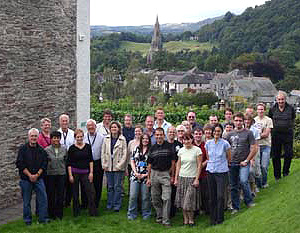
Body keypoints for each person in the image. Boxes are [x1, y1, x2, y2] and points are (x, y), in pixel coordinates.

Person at [226, 112, 258, 214]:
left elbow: (254, 148)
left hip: (244, 162)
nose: (238, 122)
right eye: (236, 120)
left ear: (243, 121)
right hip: (232, 164)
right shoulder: (229, 134)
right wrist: (228, 161)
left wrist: (247, 160)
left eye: (240, 120)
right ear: (233, 121)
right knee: (233, 185)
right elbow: (226, 149)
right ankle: (236, 207)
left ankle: (249, 201)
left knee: (244, 181)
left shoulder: (248, 133)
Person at [16, 128, 49, 225]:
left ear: (38, 137)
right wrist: (30, 175)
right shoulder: (22, 149)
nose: (34, 138)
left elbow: (44, 164)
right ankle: (27, 220)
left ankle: (43, 219)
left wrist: (37, 175)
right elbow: (20, 164)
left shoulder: (42, 150)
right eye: (32, 136)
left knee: (43, 199)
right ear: (28, 137)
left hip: (39, 178)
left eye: (35, 136)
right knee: (26, 201)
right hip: (26, 179)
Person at [147, 128, 176, 227]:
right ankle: (159, 216)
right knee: (155, 198)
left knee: (167, 197)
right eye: (157, 135)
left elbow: (173, 162)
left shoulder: (169, 147)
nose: (159, 136)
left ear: (164, 135)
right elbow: (149, 164)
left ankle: (166, 220)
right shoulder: (152, 148)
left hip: (165, 174)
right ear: (155, 136)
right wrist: (148, 178)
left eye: (161, 135)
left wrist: (172, 176)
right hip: (154, 174)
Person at [67, 129, 97, 217]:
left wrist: (91, 173)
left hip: (86, 173)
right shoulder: (72, 148)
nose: (79, 138)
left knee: (91, 192)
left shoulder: (87, 147)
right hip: (75, 173)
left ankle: (93, 212)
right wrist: (70, 175)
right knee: (75, 193)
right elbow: (69, 163)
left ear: (83, 137)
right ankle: (76, 213)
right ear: (75, 138)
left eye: (81, 137)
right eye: (78, 137)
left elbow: (90, 160)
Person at [205, 124, 231, 225]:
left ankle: (220, 218)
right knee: (212, 197)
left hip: (221, 172)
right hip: (210, 171)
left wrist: (224, 165)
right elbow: (208, 157)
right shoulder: (208, 143)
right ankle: (213, 218)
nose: (216, 133)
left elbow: (229, 157)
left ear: (221, 132)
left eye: (218, 131)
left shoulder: (225, 143)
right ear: (212, 132)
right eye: (215, 131)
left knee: (220, 196)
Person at [174, 132, 202, 226]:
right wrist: (176, 178)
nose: (186, 141)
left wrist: (197, 179)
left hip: (192, 178)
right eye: (184, 139)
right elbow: (178, 165)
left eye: (188, 139)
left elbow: (199, 166)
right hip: (182, 178)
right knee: (182, 201)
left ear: (192, 139)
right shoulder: (181, 151)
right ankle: (185, 220)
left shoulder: (197, 150)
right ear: (182, 141)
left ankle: (191, 219)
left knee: (188, 201)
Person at [269, 91, 295, 180]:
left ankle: (285, 172)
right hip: (276, 135)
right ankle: (277, 176)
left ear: (285, 99)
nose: (281, 101)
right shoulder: (272, 109)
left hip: (288, 134)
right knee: (276, 155)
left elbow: (293, 118)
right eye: (279, 99)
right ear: (276, 100)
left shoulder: (291, 108)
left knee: (288, 154)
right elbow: (270, 120)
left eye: (282, 99)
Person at [101, 121, 127, 212]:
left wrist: (120, 165)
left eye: (115, 127)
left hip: (118, 167)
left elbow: (125, 154)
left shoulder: (122, 139)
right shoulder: (106, 139)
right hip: (108, 167)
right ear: (110, 129)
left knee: (117, 186)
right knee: (110, 186)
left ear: (118, 129)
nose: (113, 129)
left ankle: (117, 205)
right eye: (112, 127)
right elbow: (103, 152)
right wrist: (104, 164)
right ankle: (109, 204)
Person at [127, 133, 152, 220]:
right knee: (133, 195)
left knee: (145, 196)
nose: (145, 140)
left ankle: (146, 214)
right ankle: (131, 214)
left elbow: (152, 165)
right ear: (141, 140)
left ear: (149, 140)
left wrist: (146, 175)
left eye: (147, 139)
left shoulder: (151, 150)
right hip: (135, 175)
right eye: (143, 139)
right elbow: (132, 161)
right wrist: (135, 172)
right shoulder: (136, 149)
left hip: (146, 176)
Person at [44, 131, 67, 220]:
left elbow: (66, 160)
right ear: (51, 139)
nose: (56, 139)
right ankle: (51, 214)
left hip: (61, 174)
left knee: (60, 194)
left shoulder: (64, 149)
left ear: (60, 139)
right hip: (51, 175)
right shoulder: (47, 150)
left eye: (57, 138)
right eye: (54, 138)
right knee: (51, 194)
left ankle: (59, 214)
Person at [83, 119, 104, 209]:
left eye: (92, 126)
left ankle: (96, 203)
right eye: (89, 126)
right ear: (87, 127)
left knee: (98, 184)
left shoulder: (101, 137)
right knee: (86, 183)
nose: (91, 127)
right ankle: (85, 203)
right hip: (86, 163)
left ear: (95, 127)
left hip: (98, 162)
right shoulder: (83, 137)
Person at [254, 103, 273, 188]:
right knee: (257, 167)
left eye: (262, 109)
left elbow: (266, 134)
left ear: (264, 110)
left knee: (264, 166)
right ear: (256, 110)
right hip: (257, 146)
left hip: (266, 145)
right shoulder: (254, 120)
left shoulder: (268, 120)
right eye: (259, 109)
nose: (260, 111)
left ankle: (264, 183)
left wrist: (257, 135)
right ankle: (258, 184)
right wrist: (260, 133)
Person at [57, 114, 74, 208]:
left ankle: (68, 201)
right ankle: (61, 201)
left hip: (70, 161)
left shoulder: (72, 133)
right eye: (63, 121)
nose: (64, 123)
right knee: (61, 182)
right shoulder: (57, 133)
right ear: (60, 122)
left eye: (66, 121)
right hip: (61, 162)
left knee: (70, 182)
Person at [167, 126, 183, 218]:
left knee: (174, 191)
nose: (172, 133)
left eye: (173, 132)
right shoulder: (164, 144)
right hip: (165, 171)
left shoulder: (179, 145)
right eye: (170, 132)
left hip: (177, 170)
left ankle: (173, 211)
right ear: (167, 133)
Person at [193, 127, 209, 215]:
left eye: (199, 134)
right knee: (194, 193)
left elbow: (208, 158)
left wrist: (202, 165)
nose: (198, 136)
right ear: (193, 135)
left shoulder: (205, 145)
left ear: (202, 135)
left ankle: (205, 209)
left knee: (204, 192)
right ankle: (195, 210)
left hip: (204, 172)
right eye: (196, 134)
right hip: (193, 172)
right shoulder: (190, 145)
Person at [244, 113, 261, 196]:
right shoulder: (241, 129)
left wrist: (252, 158)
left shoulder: (255, 131)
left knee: (251, 171)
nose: (247, 121)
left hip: (253, 152)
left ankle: (253, 188)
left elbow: (256, 145)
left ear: (251, 121)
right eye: (245, 120)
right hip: (243, 152)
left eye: (248, 120)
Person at [127, 125, 143, 194]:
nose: (137, 133)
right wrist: (126, 168)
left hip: (142, 166)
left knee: (141, 185)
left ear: (142, 132)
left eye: (139, 131)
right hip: (131, 166)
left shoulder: (144, 142)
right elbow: (128, 155)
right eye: (136, 131)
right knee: (132, 184)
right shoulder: (131, 143)